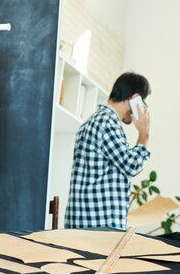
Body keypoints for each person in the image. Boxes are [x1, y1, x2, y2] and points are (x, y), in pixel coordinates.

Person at [64, 72, 151, 230]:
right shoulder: (107, 122)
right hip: (98, 225)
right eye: (142, 102)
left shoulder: (95, 121)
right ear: (135, 98)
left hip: (88, 223)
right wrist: (144, 134)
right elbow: (131, 166)